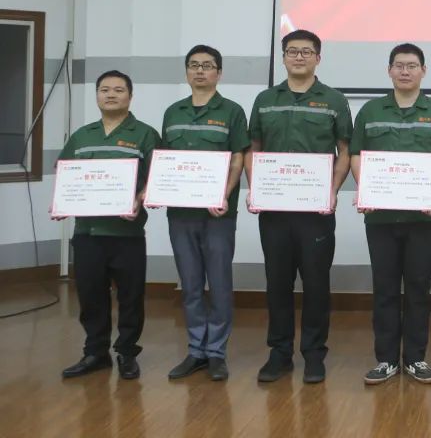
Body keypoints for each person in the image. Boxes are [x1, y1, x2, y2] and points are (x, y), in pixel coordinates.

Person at [352, 44, 431, 386]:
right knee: (385, 288)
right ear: (389, 70)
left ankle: (416, 357)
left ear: (423, 71)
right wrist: (366, 188)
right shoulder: (371, 111)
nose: (405, 71)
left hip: (424, 218)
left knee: (418, 288)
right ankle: (386, 359)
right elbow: (357, 154)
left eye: (412, 65)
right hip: (381, 218)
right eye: (399, 65)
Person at [247, 29, 352, 384]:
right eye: (292, 51)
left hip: (315, 212)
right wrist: (256, 188)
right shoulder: (265, 99)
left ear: (318, 58)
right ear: (283, 57)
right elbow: (254, 148)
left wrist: (333, 190)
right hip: (274, 211)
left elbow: (345, 151)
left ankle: (314, 354)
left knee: (316, 284)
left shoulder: (334, 100)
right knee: (277, 283)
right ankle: (279, 353)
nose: (299, 57)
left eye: (307, 52)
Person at [58, 70, 160, 380]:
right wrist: (61, 202)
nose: (111, 94)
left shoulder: (145, 134)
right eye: (104, 90)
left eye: (118, 89)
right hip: (87, 233)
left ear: (130, 96)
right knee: (90, 295)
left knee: (131, 296)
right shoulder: (82, 135)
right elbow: (66, 174)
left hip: (127, 233)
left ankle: (127, 352)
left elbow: (158, 178)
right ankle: (95, 352)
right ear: (97, 96)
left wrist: (139, 199)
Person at [160, 45, 250, 382]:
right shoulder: (173, 112)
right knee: (191, 284)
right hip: (180, 214)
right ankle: (196, 349)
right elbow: (166, 161)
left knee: (220, 283)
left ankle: (216, 353)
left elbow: (238, 158)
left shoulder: (232, 111)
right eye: (194, 65)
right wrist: (157, 191)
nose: (200, 71)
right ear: (187, 71)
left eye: (208, 65)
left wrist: (223, 194)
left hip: (217, 214)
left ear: (219, 73)